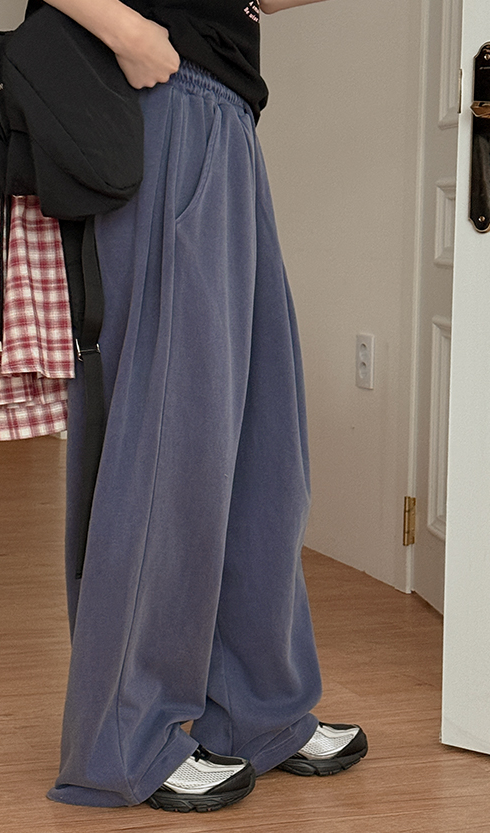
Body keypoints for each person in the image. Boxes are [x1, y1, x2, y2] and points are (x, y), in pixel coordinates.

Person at [37, 0, 368, 812]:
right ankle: (125, 736)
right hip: (163, 97)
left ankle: (258, 709)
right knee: (168, 436)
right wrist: (128, 32)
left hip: (227, 116)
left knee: (260, 444)